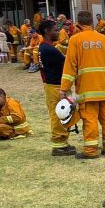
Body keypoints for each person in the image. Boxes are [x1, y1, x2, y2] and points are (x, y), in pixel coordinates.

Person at [60, 10, 105, 159]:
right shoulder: (104, 39)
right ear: (92, 22)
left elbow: (70, 66)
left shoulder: (75, 40)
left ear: (77, 24)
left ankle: (91, 151)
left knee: (90, 119)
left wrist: (64, 88)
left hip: (87, 89)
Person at [37, 20, 75, 156]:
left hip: (52, 85)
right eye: (55, 30)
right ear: (47, 31)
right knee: (59, 115)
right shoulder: (49, 49)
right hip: (55, 86)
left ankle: (62, 143)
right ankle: (59, 146)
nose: (58, 33)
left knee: (60, 114)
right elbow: (67, 63)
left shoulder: (44, 47)